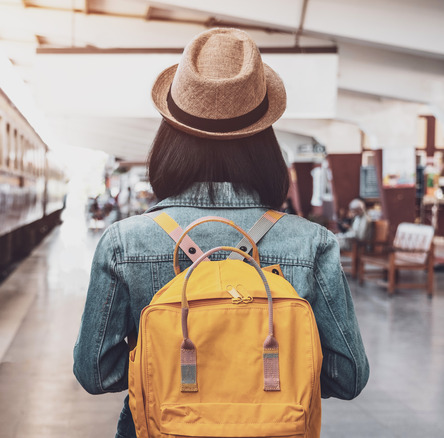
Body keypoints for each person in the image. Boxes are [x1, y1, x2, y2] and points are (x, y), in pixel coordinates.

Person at [72, 28, 369, 438]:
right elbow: (348, 376)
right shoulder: (310, 242)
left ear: (169, 138)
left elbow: (95, 371)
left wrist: (172, 373)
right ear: (265, 141)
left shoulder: (125, 243)